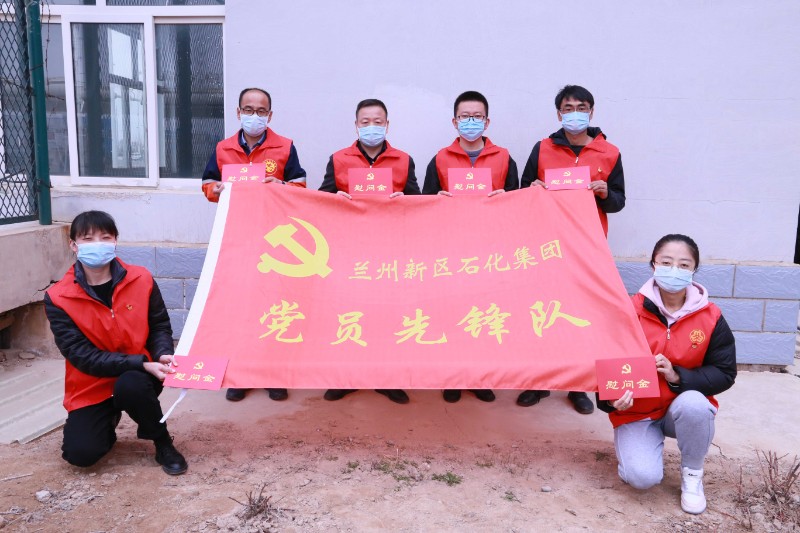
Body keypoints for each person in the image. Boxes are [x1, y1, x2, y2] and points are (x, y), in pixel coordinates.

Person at [597, 234, 736, 514]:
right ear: (653, 265)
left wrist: (677, 377)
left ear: (694, 270)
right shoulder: (629, 311)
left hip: (679, 409)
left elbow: (724, 372)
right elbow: (605, 362)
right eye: (666, 262)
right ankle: (637, 454)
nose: (674, 270)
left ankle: (693, 475)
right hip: (637, 412)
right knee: (641, 478)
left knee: (696, 405)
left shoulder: (710, 317)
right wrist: (610, 400)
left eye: (684, 265)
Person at [44, 211, 188, 475]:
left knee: (131, 384)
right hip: (91, 383)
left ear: (115, 241)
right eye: (88, 239)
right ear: (73, 245)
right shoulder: (58, 297)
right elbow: (80, 355)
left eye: (105, 237)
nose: (97, 244)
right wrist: (141, 363)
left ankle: (162, 442)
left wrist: (163, 353)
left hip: (139, 377)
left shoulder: (141, 279)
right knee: (81, 454)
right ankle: (107, 421)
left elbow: (159, 325)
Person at [517, 84, 626, 414]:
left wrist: (605, 192)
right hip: (546, 246)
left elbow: (619, 202)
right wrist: (534, 188)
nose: (574, 114)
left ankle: (578, 388)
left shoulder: (609, 152)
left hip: (587, 247)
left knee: (580, 316)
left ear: (591, 112)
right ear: (558, 114)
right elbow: (522, 192)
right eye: (568, 108)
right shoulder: (542, 148)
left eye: (581, 108)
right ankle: (539, 383)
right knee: (541, 312)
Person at [202, 86, 306, 402]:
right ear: (238, 112)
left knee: (274, 305)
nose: (254, 116)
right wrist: (216, 189)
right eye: (248, 110)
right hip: (237, 238)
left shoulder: (285, 147)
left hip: (274, 238)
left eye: (261, 111)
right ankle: (241, 374)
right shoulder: (222, 148)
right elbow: (207, 184)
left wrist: (281, 185)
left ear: (269, 115)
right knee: (241, 306)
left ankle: (273, 374)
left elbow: (301, 186)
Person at [319, 98, 420, 404]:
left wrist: (405, 200)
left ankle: (386, 378)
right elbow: (322, 199)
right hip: (350, 249)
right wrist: (335, 199)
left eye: (378, 122)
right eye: (365, 122)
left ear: (387, 125)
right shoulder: (339, 159)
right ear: (356, 125)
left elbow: (418, 202)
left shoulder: (403, 160)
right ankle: (346, 376)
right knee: (349, 312)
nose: (371, 127)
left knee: (386, 313)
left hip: (390, 250)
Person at [422, 90, 519, 403]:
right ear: (454, 121)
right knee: (452, 312)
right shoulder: (440, 158)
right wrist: (437, 200)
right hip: (451, 250)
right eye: (465, 117)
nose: (471, 122)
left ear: (487, 121)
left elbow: (519, 203)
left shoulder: (504, 157)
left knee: (484, 314)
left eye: (477, 116)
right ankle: (453, 377)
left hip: (490, 251)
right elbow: (423, 202)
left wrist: (505, 200)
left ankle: (479, 377)